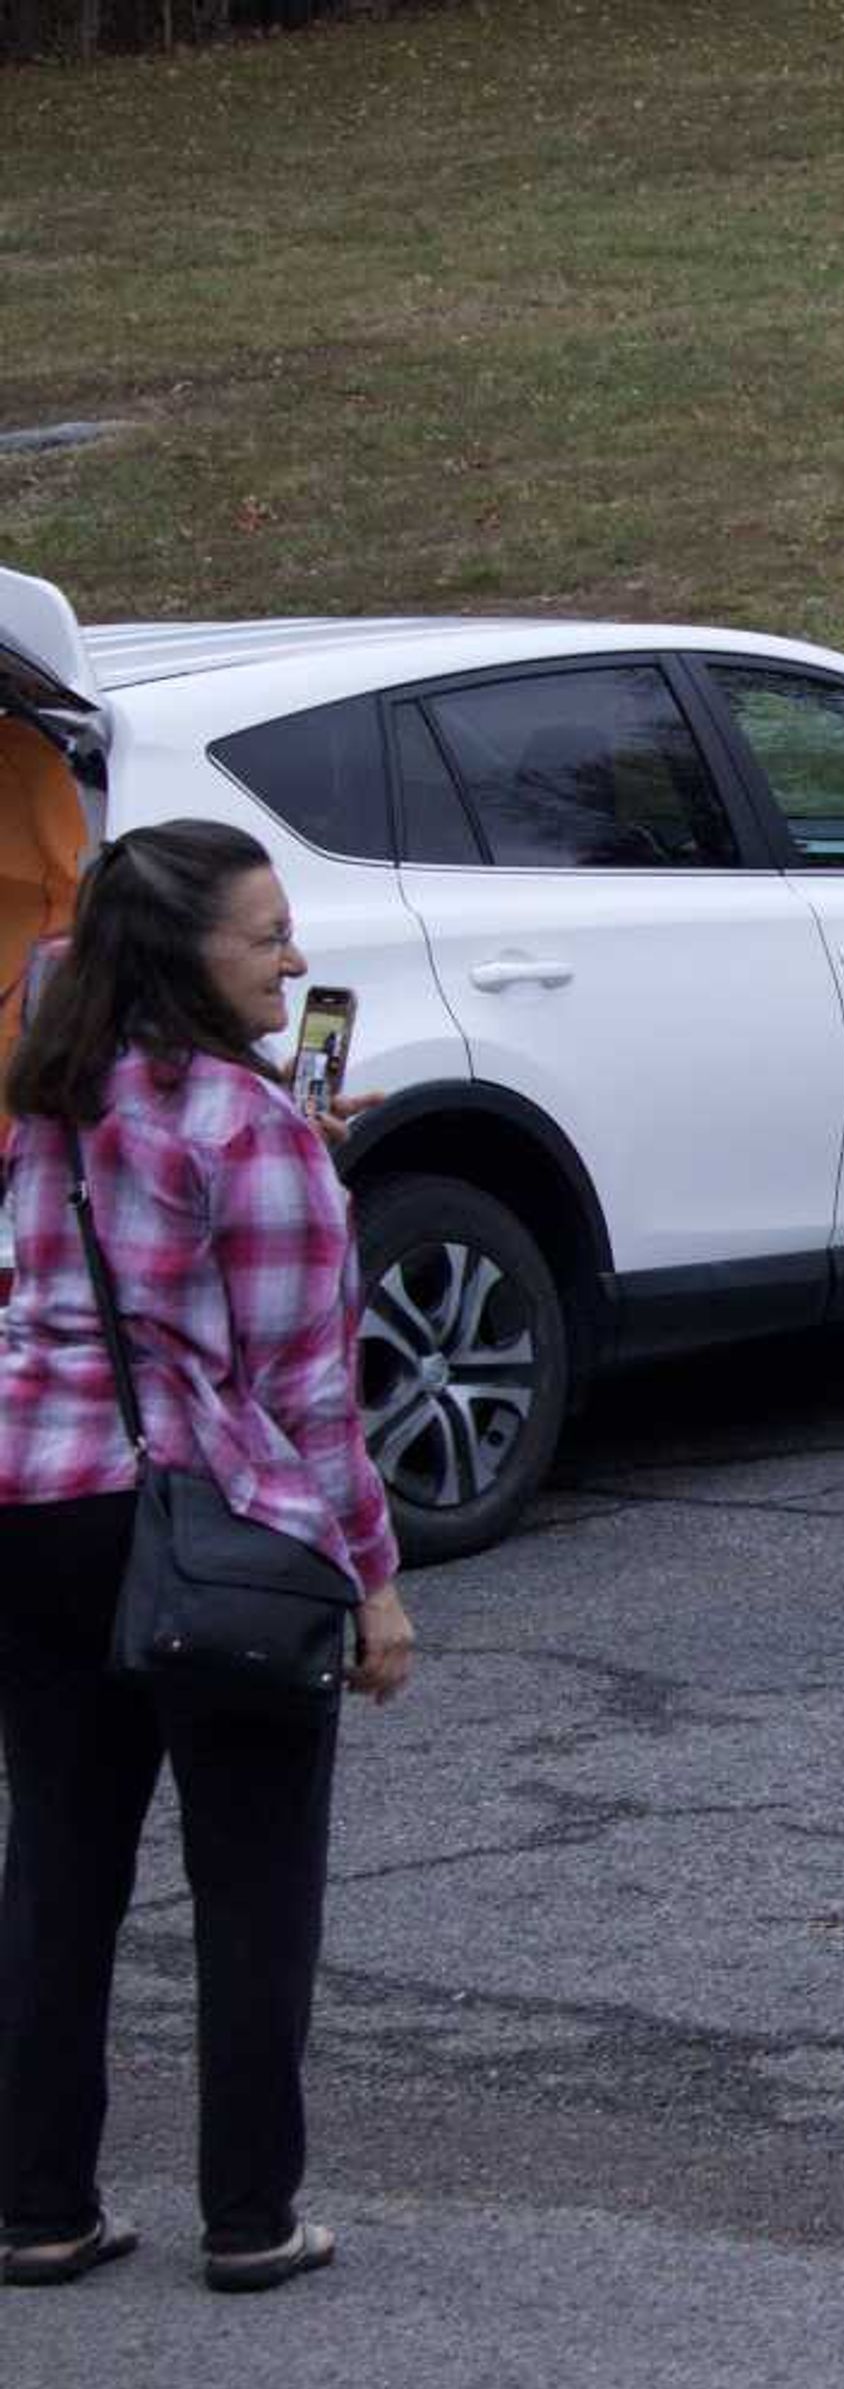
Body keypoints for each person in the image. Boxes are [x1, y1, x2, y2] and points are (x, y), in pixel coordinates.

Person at [0, 818, 416, 2296]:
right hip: (210, 1526)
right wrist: (373, 1583)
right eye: (266, 933)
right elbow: (309, 1402)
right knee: (251, 1880)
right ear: (188, 956)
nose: (295, 958)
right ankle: (249, 2216)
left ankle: (38, 2205)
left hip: (36, 1507)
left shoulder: (47, 1096)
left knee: (57, 1868)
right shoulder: (254, 1138)